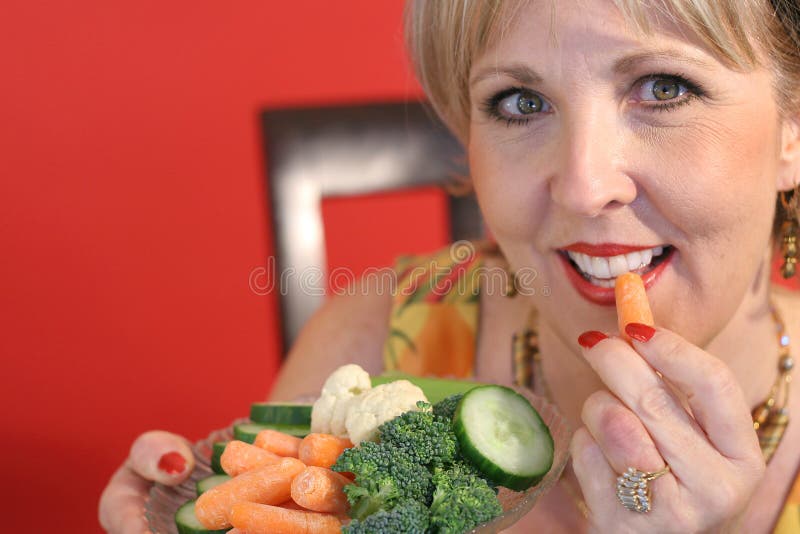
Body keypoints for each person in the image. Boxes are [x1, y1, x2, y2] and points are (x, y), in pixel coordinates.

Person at [99, 0, 800, 532]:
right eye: (521, 103)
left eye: (666, 89)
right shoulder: (374, 340)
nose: (584, 187)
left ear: (791, 129)